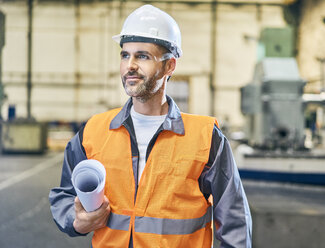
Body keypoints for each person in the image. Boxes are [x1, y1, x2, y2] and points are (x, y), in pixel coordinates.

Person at [49, 4, 252, 248]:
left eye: (142, 56)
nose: (130, 65)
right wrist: (78, 222)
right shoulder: (94, 131)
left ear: (170, 66)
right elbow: (64, 195)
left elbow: (235, 223)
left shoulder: (206, 138)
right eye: (125, 55)